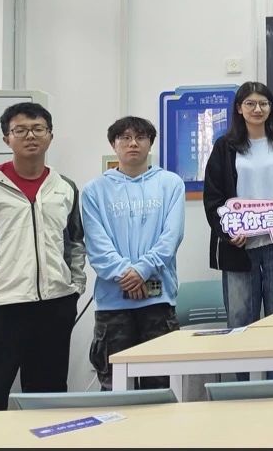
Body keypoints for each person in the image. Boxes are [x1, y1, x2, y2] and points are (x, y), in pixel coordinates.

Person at [0, 103, 86, 411]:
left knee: (49, 396)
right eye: (20, 130)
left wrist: (75, 287)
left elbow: (75, 242)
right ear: (7, 138)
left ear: (50, 136)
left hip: (55, 305)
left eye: (38, 129)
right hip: (2, 306)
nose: (30, 136)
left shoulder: (64, 187)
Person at [82, 116, 185, 391]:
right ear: (113, 144)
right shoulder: (94, 190)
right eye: (125, 138)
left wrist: (142, 270)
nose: (133, 143)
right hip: (113, 304)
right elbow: (97, 244)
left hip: (158, 301)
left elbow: (171, 237)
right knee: (115, 387)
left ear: (150, 143)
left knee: (161, 385)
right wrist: (127, 274)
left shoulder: (170, 184)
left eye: (140, 137)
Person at [204, 82, 273, 337]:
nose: (257, 109)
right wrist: (227, 232)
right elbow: (213, 197)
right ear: (239, 108)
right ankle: (240, 367)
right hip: (239, 246)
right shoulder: (224, 147)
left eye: (263, 103)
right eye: (250, 104)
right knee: (240, 322)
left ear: (271, 108)